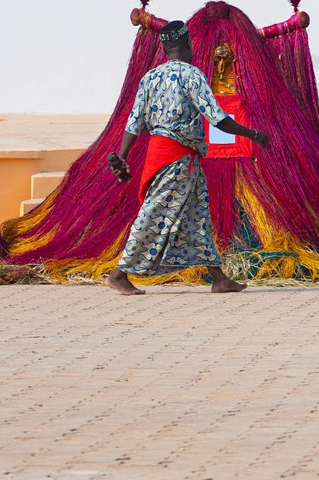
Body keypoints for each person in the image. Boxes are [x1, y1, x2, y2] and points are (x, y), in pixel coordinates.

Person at [104, 21, 268, 295]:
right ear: (188, 45)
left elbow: (134, 122)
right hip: (176, 160)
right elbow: (218, 119)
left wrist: (121, 156)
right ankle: (119, 274)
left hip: (168, 158)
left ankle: (219, 279)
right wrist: (252, 134)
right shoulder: (191, 76)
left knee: (198, 217)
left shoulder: (150, 78)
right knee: (153, 214)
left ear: (165, 49)